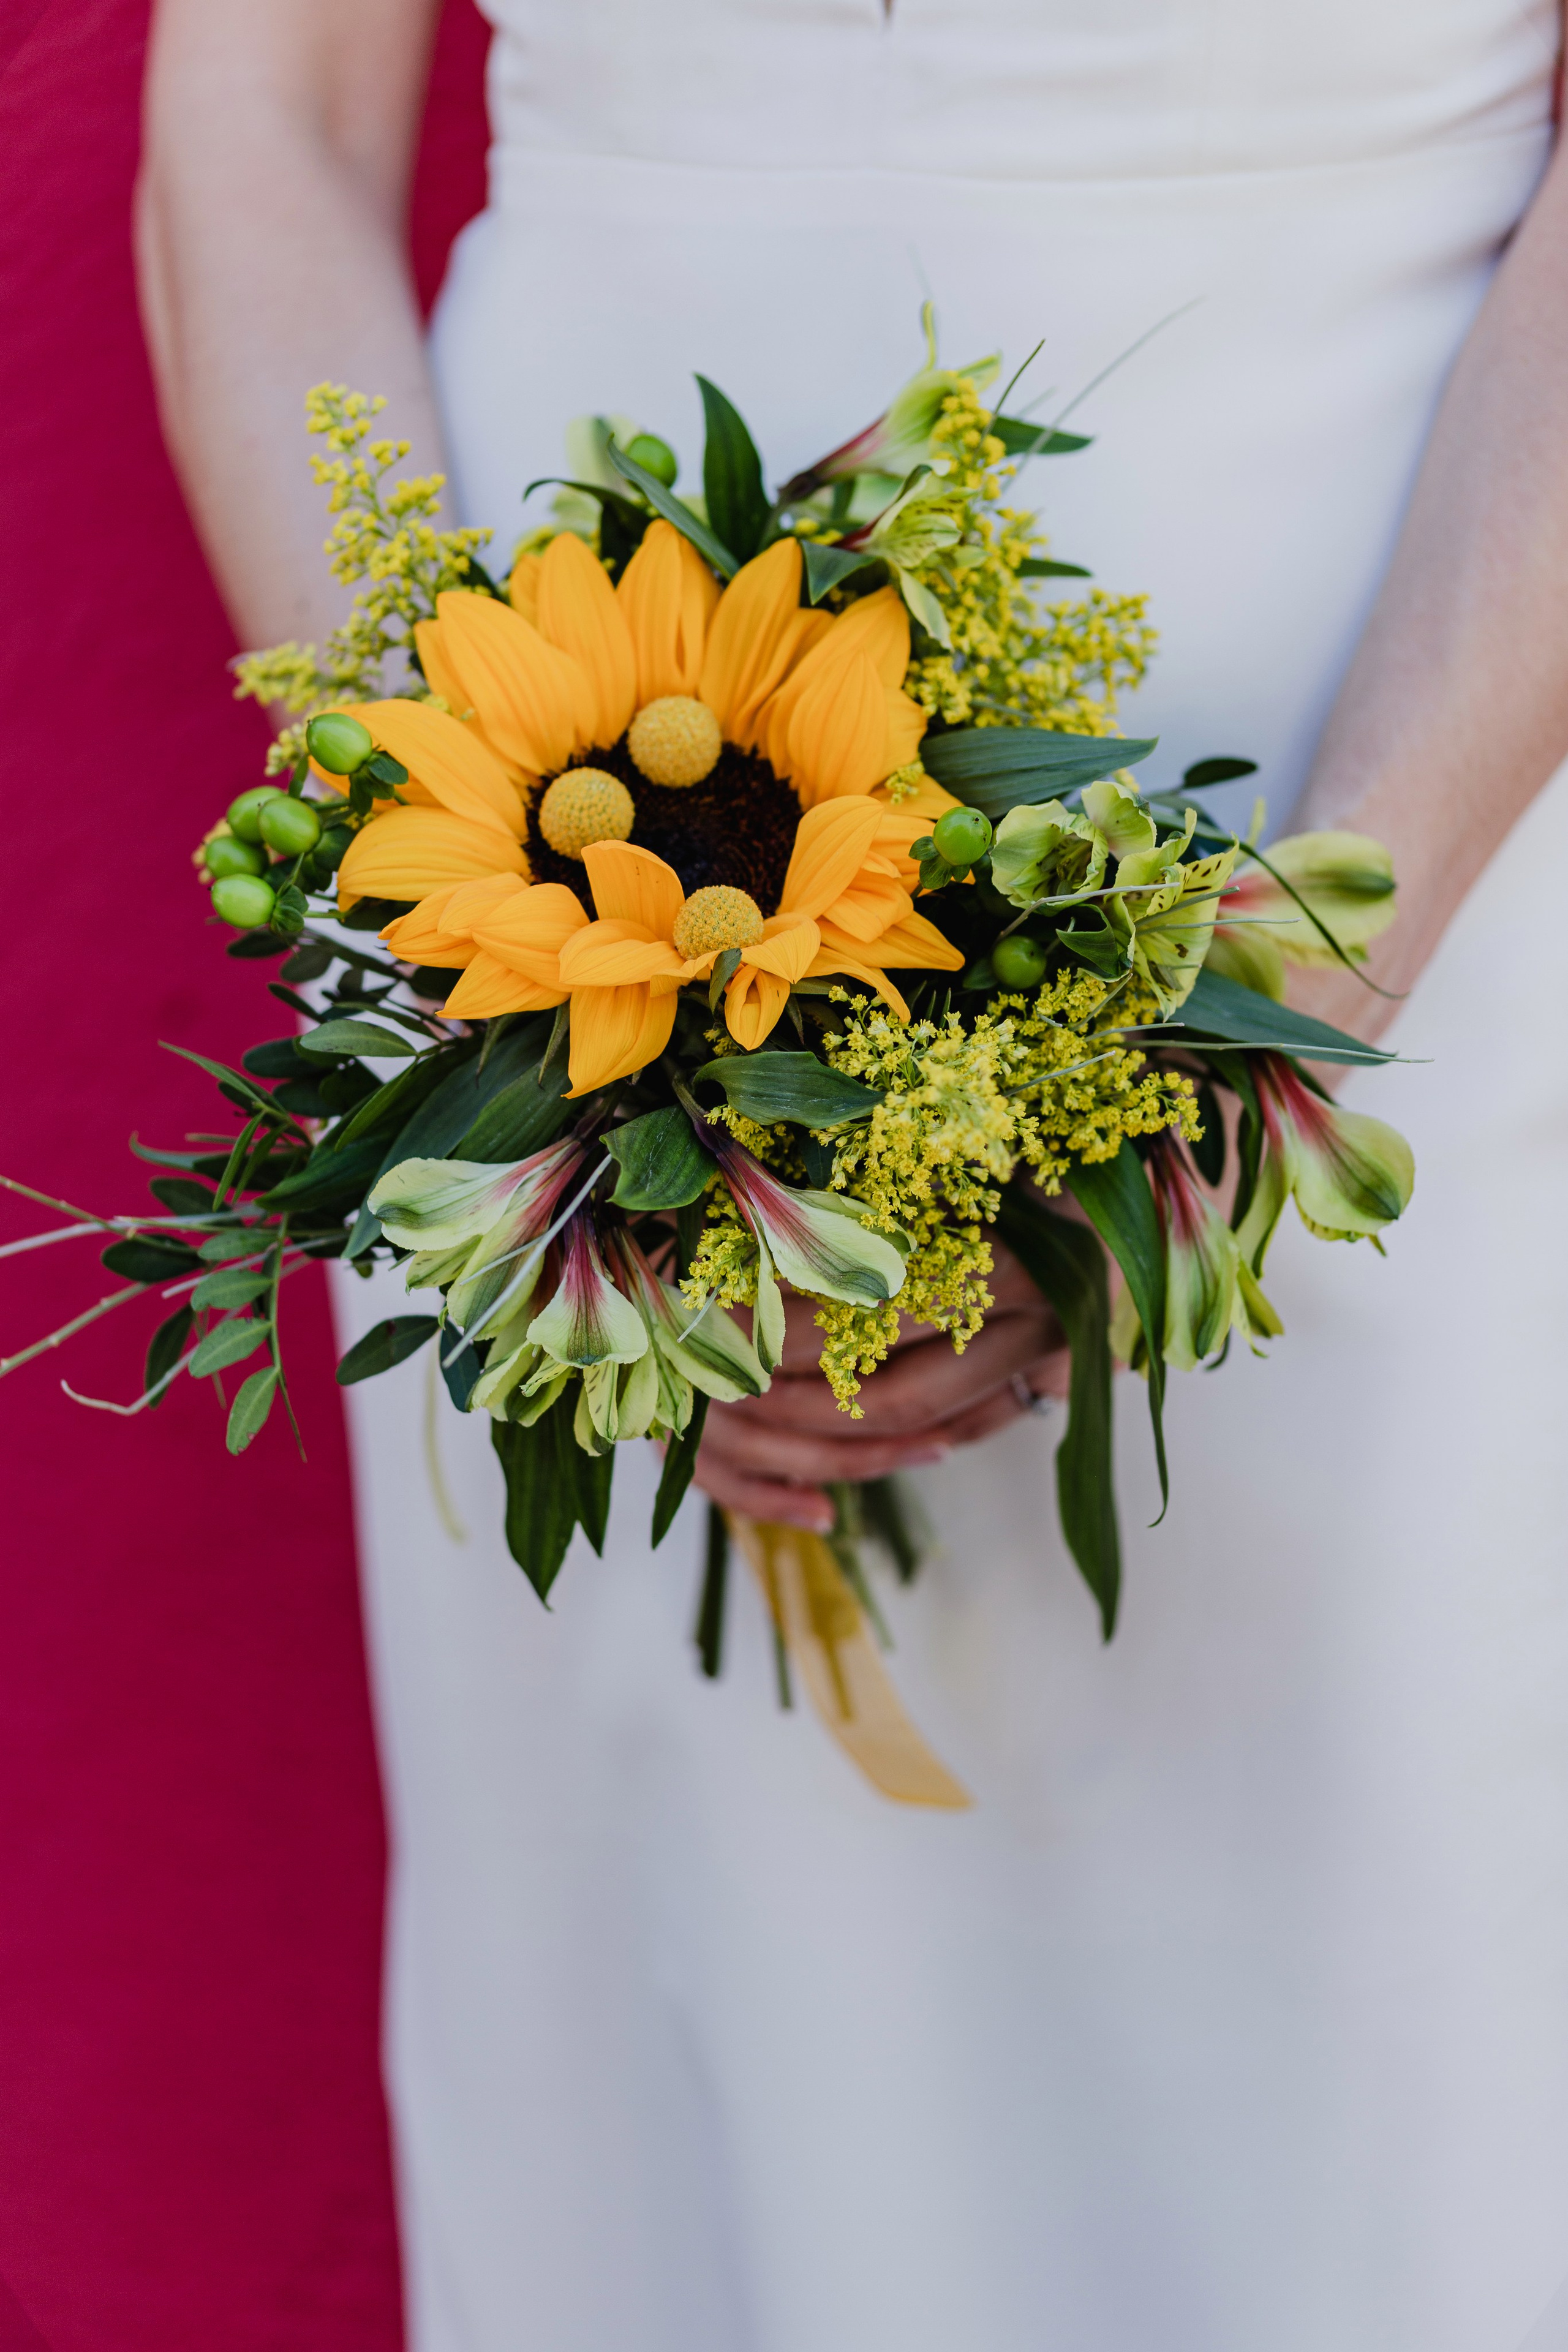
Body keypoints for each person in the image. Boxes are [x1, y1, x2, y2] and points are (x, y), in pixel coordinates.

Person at [137, 3, 1568, 2345]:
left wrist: (1272, 1026)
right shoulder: (495, 945)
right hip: (540, 811)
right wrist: (466, 963)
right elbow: (263, 108)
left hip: (1404, 762)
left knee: (1355, 2039)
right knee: (689, 2030)